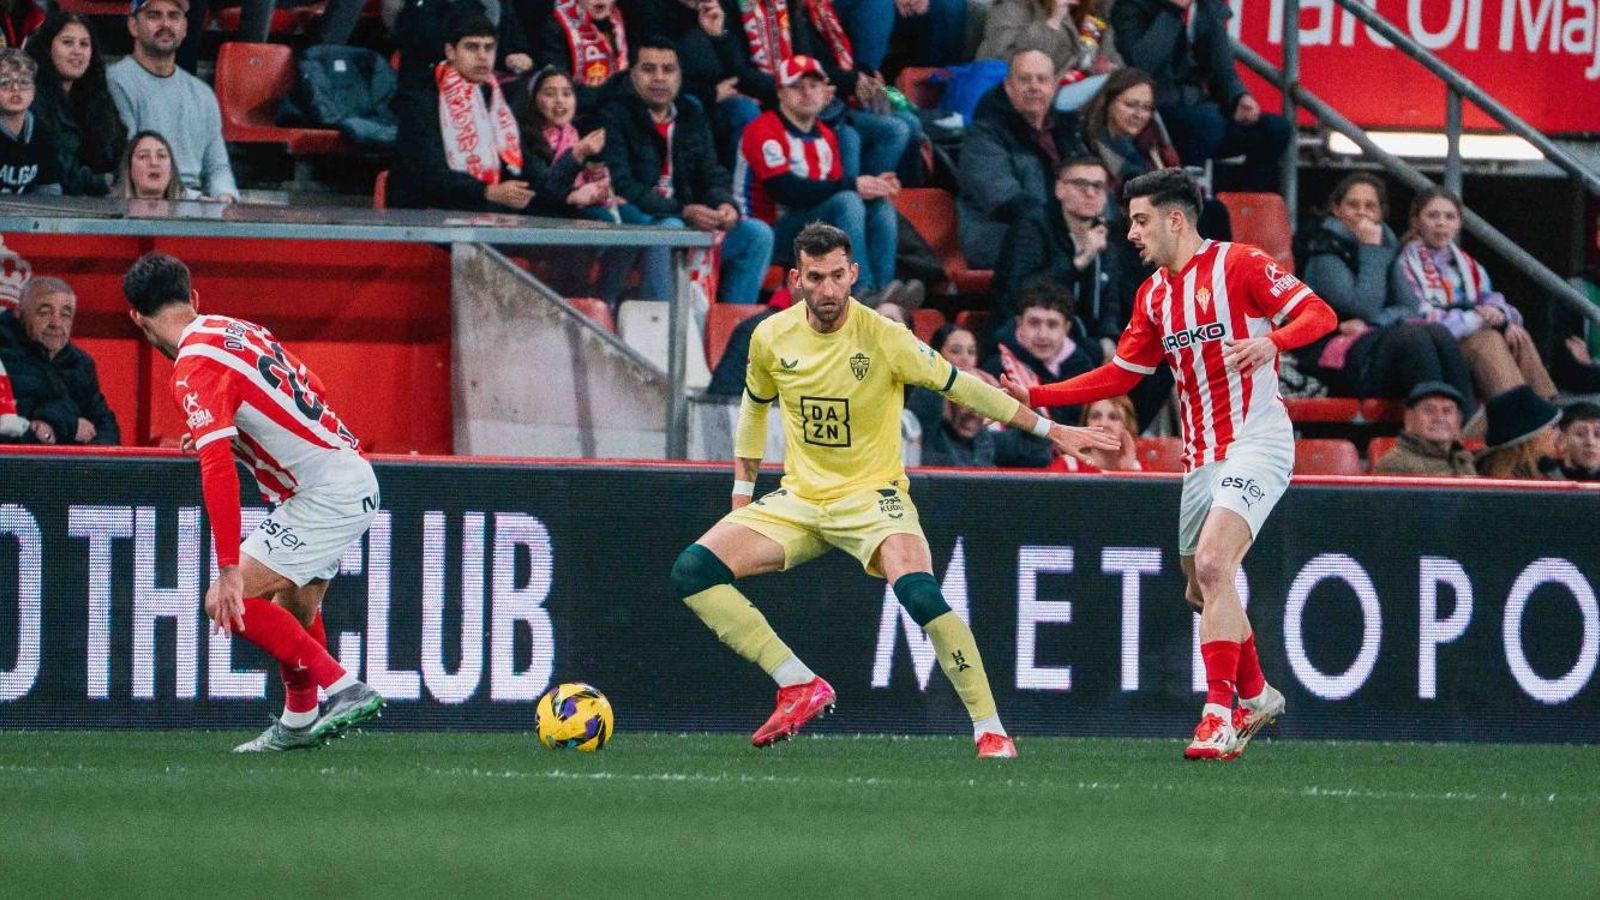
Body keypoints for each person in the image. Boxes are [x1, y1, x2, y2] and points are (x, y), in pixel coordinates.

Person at [669, 221, 1118, 758]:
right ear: (796, 280)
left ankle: (990, 728)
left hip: (873, 499)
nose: (829, 289)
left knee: (920, 592)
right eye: (816, 278)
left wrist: (1050, 428)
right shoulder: (771, 336)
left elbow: (965, 387)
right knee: (693, 572)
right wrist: (742, 494)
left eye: (839, 275)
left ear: (854, 273)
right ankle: (797, 682)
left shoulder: (885, 338)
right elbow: (753, 408)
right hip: (802, 498)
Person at [1003, 168, 1337, 760]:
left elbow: (1319, 315)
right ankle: (1257, 693)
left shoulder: (1240, 264)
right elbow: (1121, 375)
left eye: (1139, 220)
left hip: (1258, 439)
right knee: (1199, 586)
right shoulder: (1154, 293)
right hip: (1200, 454)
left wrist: (1273, 342)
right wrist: (1038, 396)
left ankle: (1217, 715)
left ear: (1175, 219)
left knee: (1213, 564)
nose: (1130, 232)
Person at [122, 251, 385, 752]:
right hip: (347, 476)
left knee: (226, 601)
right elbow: (313, 388)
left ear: (137, 317)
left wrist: (227, 567)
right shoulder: (237, 328)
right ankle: (299, 721)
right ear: (194, 298)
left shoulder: (191, 368)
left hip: (322, 494)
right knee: (297, 612)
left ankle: (345, 687)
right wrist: (228, 433)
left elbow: (217, 467)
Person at [599, 37, 773, 305]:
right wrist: (683, 211)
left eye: (668, 70)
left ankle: (732, 335)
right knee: (671, 228)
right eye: (649, 69)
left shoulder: (691, 113)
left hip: (688, 219)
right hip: (643, 222)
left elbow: (711, 172)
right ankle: (662, 329)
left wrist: (724, 204)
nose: (659, 78)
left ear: (680, 75)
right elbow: (622, 185)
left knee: (757, 235)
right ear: (632, 73)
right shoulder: (614, 114)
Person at [1297, 174, 1475, 407]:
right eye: (1353, 205)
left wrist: (1376, 324)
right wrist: (1370, 248)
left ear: (1381, 213)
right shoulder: (1324, 251)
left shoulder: (1388, 247)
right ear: (1337, 209)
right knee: (1413, 338)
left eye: (1370, 206)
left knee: (1437, 332)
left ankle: (1465, 424)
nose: (1362, 212)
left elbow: (1410, 307)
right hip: (1332, 355)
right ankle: (1431, 430)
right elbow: (1364, 306)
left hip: (1374, 339)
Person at [735, 55, 902, 299]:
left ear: (826, 91)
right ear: (780, 93)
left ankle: (884, 292)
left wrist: (875, 186)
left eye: (814, 86)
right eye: (796, 87)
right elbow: (785, 190)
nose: (807, 93)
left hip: (808, 228)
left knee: (879, 206)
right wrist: (854, 185)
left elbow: (828, 188)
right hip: (769, 234)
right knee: (848, 200)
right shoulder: (762, 130)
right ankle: (860, 291)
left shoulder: (826, 136)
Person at [1388, 187, 1557, 401]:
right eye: (1433, 216)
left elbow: (1492, 299)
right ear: (1415, 221)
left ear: (1458, 223)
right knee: (1489, 340)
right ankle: (1518, 416)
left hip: (1471, 339)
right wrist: (1479, 320)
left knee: (1516, 334)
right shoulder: (1404, 264)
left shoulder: (1469, 265)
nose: (1441, 223)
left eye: (1450, 217)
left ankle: (1545, 409)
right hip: (1438, 349)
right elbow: (1422, 318)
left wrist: (1498, 314)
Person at [1110, 0, 1289, 193]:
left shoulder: (1207, 6)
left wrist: (1238, 97)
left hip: (1201, 109)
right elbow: (1142, 64)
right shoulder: (1130, 6)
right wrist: (1172, 11)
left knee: (1275, 129)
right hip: (1156, 112)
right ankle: (1192, 199)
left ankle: (1240, 203)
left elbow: (1222, 64)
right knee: (1206, 123)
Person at [390, 11, 533, 213]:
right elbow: (428, 176)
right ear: (450, 51)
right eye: (472, 47)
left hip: (486, 208)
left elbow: (523, 164)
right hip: (426, 213)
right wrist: (488, 191)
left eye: (489, 48)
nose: (482, 56)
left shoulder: (498, 98)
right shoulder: (421, 99)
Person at [958, 49, 1088, 271]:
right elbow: (1003, 198)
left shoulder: (1069, 129)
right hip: (1001, 235)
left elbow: (1092, 181)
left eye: (1042, 79)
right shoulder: (985, 133)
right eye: (1025, 79)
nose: (1034, 87)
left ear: (1054, 86)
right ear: (1008, 87)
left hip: (1060, 233)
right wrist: (1064, 230)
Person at [991, 156, 1136, 350]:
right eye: (1080, 184)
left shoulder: (1106, 234)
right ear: (1059, 189)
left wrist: (1108, 338)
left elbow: (1111, 300)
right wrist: (1080, 260)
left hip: (1085, 340)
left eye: (1098, 186)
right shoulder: (1031, 227)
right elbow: (1021, 292)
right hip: (1030, 338)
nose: (1090, 193)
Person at [107, 0, 238, 202]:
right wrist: (192, 199)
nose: (165, 24)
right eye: (154, 15)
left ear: (185, 27)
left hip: (196, 204)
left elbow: (218, 166)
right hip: (142, 204)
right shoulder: (116, 81)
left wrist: (224, 197)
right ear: (133, 25)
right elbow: (131, 164)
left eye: (174, 16)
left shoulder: (202, 93)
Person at [0, 277, 119, 445]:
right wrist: (70, 426)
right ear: (19, 314)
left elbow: (105, 426)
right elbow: (15, 423)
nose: (56, 323)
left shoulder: (81, 364)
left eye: (65, 314)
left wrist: (92, 466)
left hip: (68, 469)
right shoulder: (4, 355)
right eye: (44, 312)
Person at [23, 12, 126, 197]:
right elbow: (55, 166)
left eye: (84, 44)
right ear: (48, 47)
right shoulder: (31, 98)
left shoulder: (98, 98)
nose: (77, 51)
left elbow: (118, 151)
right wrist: (104, 182)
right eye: (67, 42)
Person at [982, 277, 1097, 424]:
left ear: (1066, 328)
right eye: (1034, 323)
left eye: (1052, 325)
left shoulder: (1082, 369)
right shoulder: (997, 367)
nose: (1043, 335)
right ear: (1019, 324)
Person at [921, 369, 1054, 468]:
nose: (975, 414)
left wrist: (1009, 400)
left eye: (982, 404)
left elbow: (1040, 442)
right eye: (967, 403)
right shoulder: (930, 438)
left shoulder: (986, 440)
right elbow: (924, 396)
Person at [1371, 381, 1477, 477]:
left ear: (1458, 421)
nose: (1439, 418)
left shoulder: (1463, 459)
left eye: (1447, 411)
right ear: (1409, 418)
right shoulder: (1395, 464)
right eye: (1429, 410)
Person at [540, 0, 629, 109]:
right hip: (577, 110)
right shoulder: (557, 25)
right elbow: (557, 80)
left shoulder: (624, 19)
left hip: (621, 106)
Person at [0, 48, 58, 194]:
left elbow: (50, 189)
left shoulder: (43, 132)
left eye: (24, 81)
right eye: (5, 82)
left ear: (34, 91)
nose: (15, 88)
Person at [1476, 385, 1563, 480]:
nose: (1558, 433)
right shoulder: (1507, 481)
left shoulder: (1544, 468)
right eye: (1553, 427)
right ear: (1531, 437)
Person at [1051, 395, 1141, 472]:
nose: (1103, 424)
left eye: (1113, 417)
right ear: (1086, 425)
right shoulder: (1067, 466)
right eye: (1095, 416)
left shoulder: (1137, 469)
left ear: (1127, 426)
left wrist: (1127, 471)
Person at [112, 130, 198, 200]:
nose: (154, 163)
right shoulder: (112, 210)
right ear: (129, 168)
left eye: (161, 156)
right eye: (143, 156)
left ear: (171, 169)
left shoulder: (196, 209)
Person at [1557, 402, 1600, 481]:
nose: (1590, 442)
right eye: (1580, 434)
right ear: (1562, 440)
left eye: (1597, 435)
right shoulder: (1542, 477)